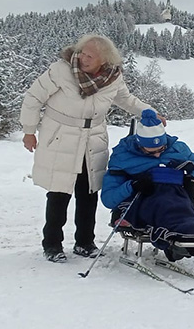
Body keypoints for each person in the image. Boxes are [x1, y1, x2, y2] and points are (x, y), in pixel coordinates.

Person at [20, 34, 160, 263]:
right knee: (59, 193)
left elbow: (126, 99)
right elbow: (33, 98)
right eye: (82, 53)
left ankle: (85, 242)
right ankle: (52, 244)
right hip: (61, 137)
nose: (82, 58)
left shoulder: (113, 78)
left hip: (93, 139)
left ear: (103, 61)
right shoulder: (61, 70)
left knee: (88, 193)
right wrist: (28, 130)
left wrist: (150, 112)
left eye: (89, 56)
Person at [101, 109, 194, 261]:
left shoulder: (177, 149)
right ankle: (174, 234)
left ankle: (186, 231)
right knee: (161, 202)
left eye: (161, 149)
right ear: (139, 145)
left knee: (179, 201)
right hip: (141, 200)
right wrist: (133, 185)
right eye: (151, 152)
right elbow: (108, 199)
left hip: (175, 194)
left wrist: (191, 179)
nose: (157, 155)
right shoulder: (123, 156)